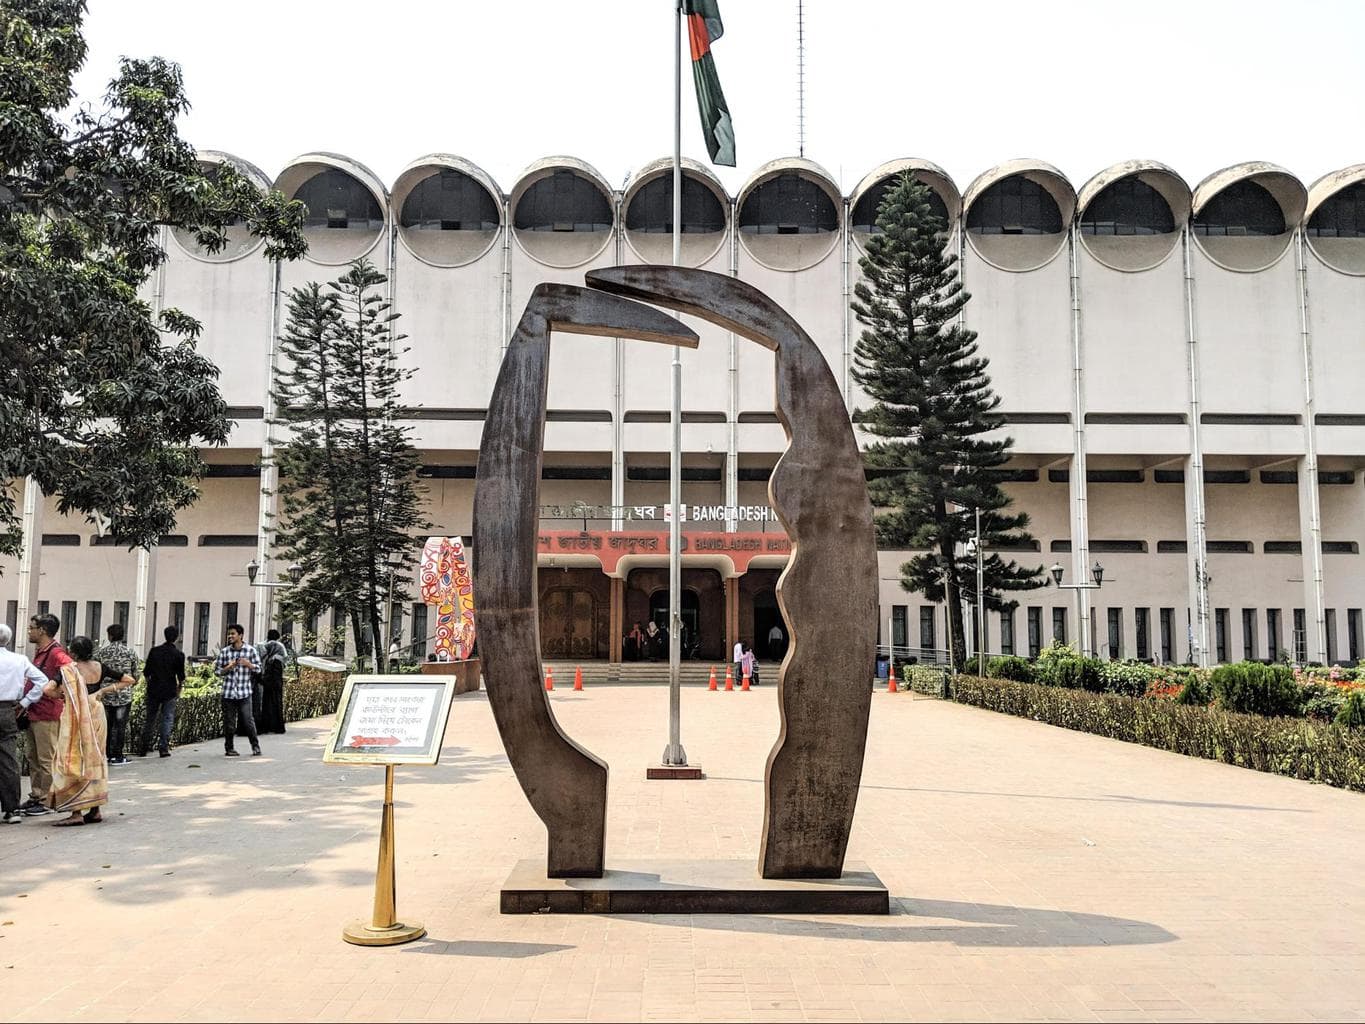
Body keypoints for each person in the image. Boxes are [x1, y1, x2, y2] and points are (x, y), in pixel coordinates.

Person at [47, 635, 135, 825]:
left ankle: (77, 812)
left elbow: (48, 690)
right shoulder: (99, 667)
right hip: (96, 713)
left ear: (73, 653)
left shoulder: (68, 671)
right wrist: (101, 692)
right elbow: (129, 679)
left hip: (76, 717)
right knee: (95, 757)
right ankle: (95, 809)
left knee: (73, 758)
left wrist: (64, 696)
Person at [19, 613, 70, 816]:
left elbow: (70, 669)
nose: (29, 631)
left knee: (46, 758)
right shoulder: (41, 652)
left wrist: (56, 691)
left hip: (47, 713)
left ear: (42, 630)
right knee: (33, 757)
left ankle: (46, 799)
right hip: (34, 711)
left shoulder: (56, 653)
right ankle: (36, 795)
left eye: (32, 628)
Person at [0, 624, 49, 824]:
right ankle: (12, 809)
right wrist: (25, 702)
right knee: (9, 760)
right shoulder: (19, 660)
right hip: (7, 710)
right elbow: (42, 680)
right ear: (8, 640)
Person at [93, 622, 139, 766]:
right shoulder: (130, 652)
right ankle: (118, 755)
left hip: (105, 694)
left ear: (110, 636)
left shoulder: (101, 653)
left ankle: (105, 754)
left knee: (106, 725)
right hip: (124, 693)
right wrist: (133, 683)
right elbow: (136, 672)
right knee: (120, 726)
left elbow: (95, 671)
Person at [214, 624, 261, 757]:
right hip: (228, 693)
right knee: (229, 722)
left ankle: (255, 746)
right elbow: (217, 672)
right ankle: (229, 748)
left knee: (248, 720)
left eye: (233, 634)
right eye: (229, 634)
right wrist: (228, 667)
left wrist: (249, 664)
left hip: (244, 692)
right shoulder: (225, 652)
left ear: (240, 635)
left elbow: (259, 669)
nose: (230, 636)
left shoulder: (250, 651)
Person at [141, 625, 185, 757]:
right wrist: (179, 689)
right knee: (167, 719)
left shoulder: (154, 651)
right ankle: (163, 748)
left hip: (154, 689)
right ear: (176, 638)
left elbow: (146, 671)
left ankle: (143, 747)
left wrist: (149, 684)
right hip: (170, 690)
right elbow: (181, 676)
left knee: (150, 719)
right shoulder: (178, 654)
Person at [255, 629, 288, 735]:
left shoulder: (266, 651)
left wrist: (262, 680)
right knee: (275, 705)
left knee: (267, 705)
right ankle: (274, 726)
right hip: (274, 684)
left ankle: (268, 726)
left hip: (268, 683)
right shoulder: (279, 652)